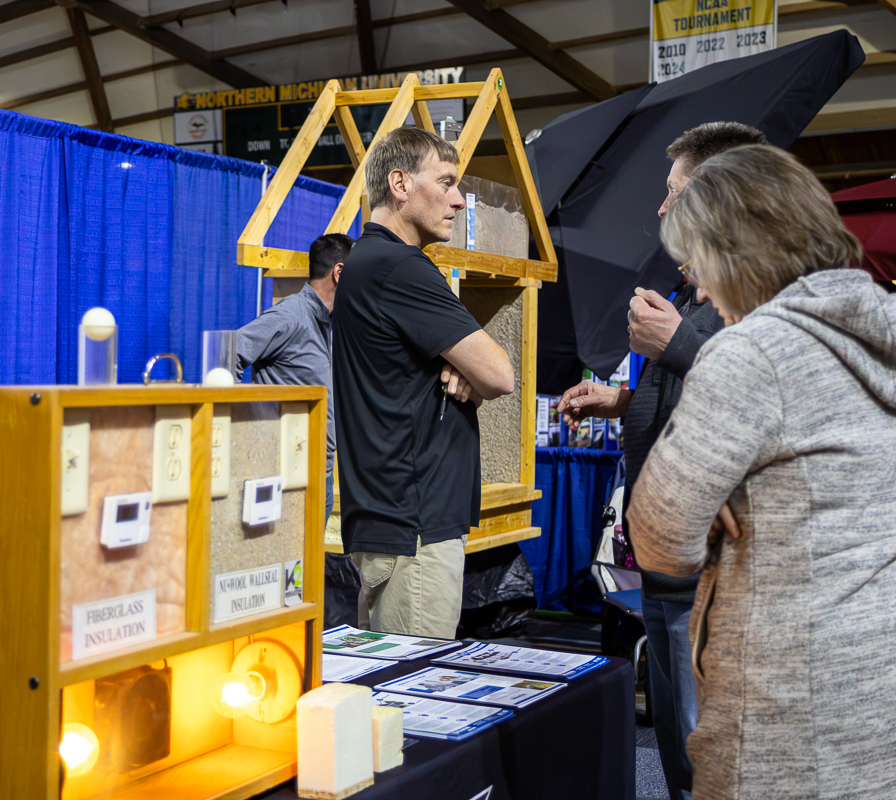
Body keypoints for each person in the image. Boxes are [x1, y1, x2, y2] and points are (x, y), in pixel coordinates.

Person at [627, 144, 896, 799]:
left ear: (734, 250)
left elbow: (659, 535)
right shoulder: (879, 323)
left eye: (700, 262)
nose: (701, 290)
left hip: (779, 706)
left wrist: (720, 500)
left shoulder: (753, 351)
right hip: (874, 679)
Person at [558, 121, 766, 800]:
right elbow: (693, 396)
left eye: (673, 192)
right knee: (680, 740)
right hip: (669, 559)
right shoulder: (695, 291)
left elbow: (765, 393)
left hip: (714, 573)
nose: (660, 208)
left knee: (709, 749)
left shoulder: (760, 292)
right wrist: (621, 401)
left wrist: (676, 342)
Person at [333, 127, 514, 639]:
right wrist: (469, 368)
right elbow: (500, 374)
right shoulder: (399, 267)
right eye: (447, 182)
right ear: (400, 184)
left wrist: (461, 367)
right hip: (412, 532)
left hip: (395, 525)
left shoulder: (369, 263)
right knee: (415, 683)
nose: (459, 200)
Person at [235, 233, 358, 627]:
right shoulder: (291, 315)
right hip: (283, 473)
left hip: (317, 471)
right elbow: (229, 353)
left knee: (299, 578)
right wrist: (253, 431)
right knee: (274, 571)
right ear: (339, 272)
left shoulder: (331, 323)